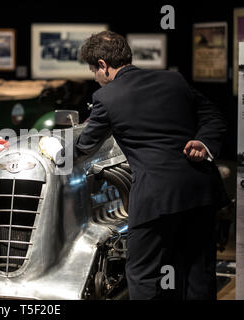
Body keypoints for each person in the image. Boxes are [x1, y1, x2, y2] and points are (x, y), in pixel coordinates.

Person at [74, 31, 229, 299]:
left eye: (93, 71)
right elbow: (214, 115)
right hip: (200, 191)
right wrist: (202, 143)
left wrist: (54, 148)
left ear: (103, 65)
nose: (95, 79)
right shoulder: (173, 79)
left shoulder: (107, 97)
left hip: (156, 199)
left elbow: (84, 146)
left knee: (143, 274)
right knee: (198, 272)